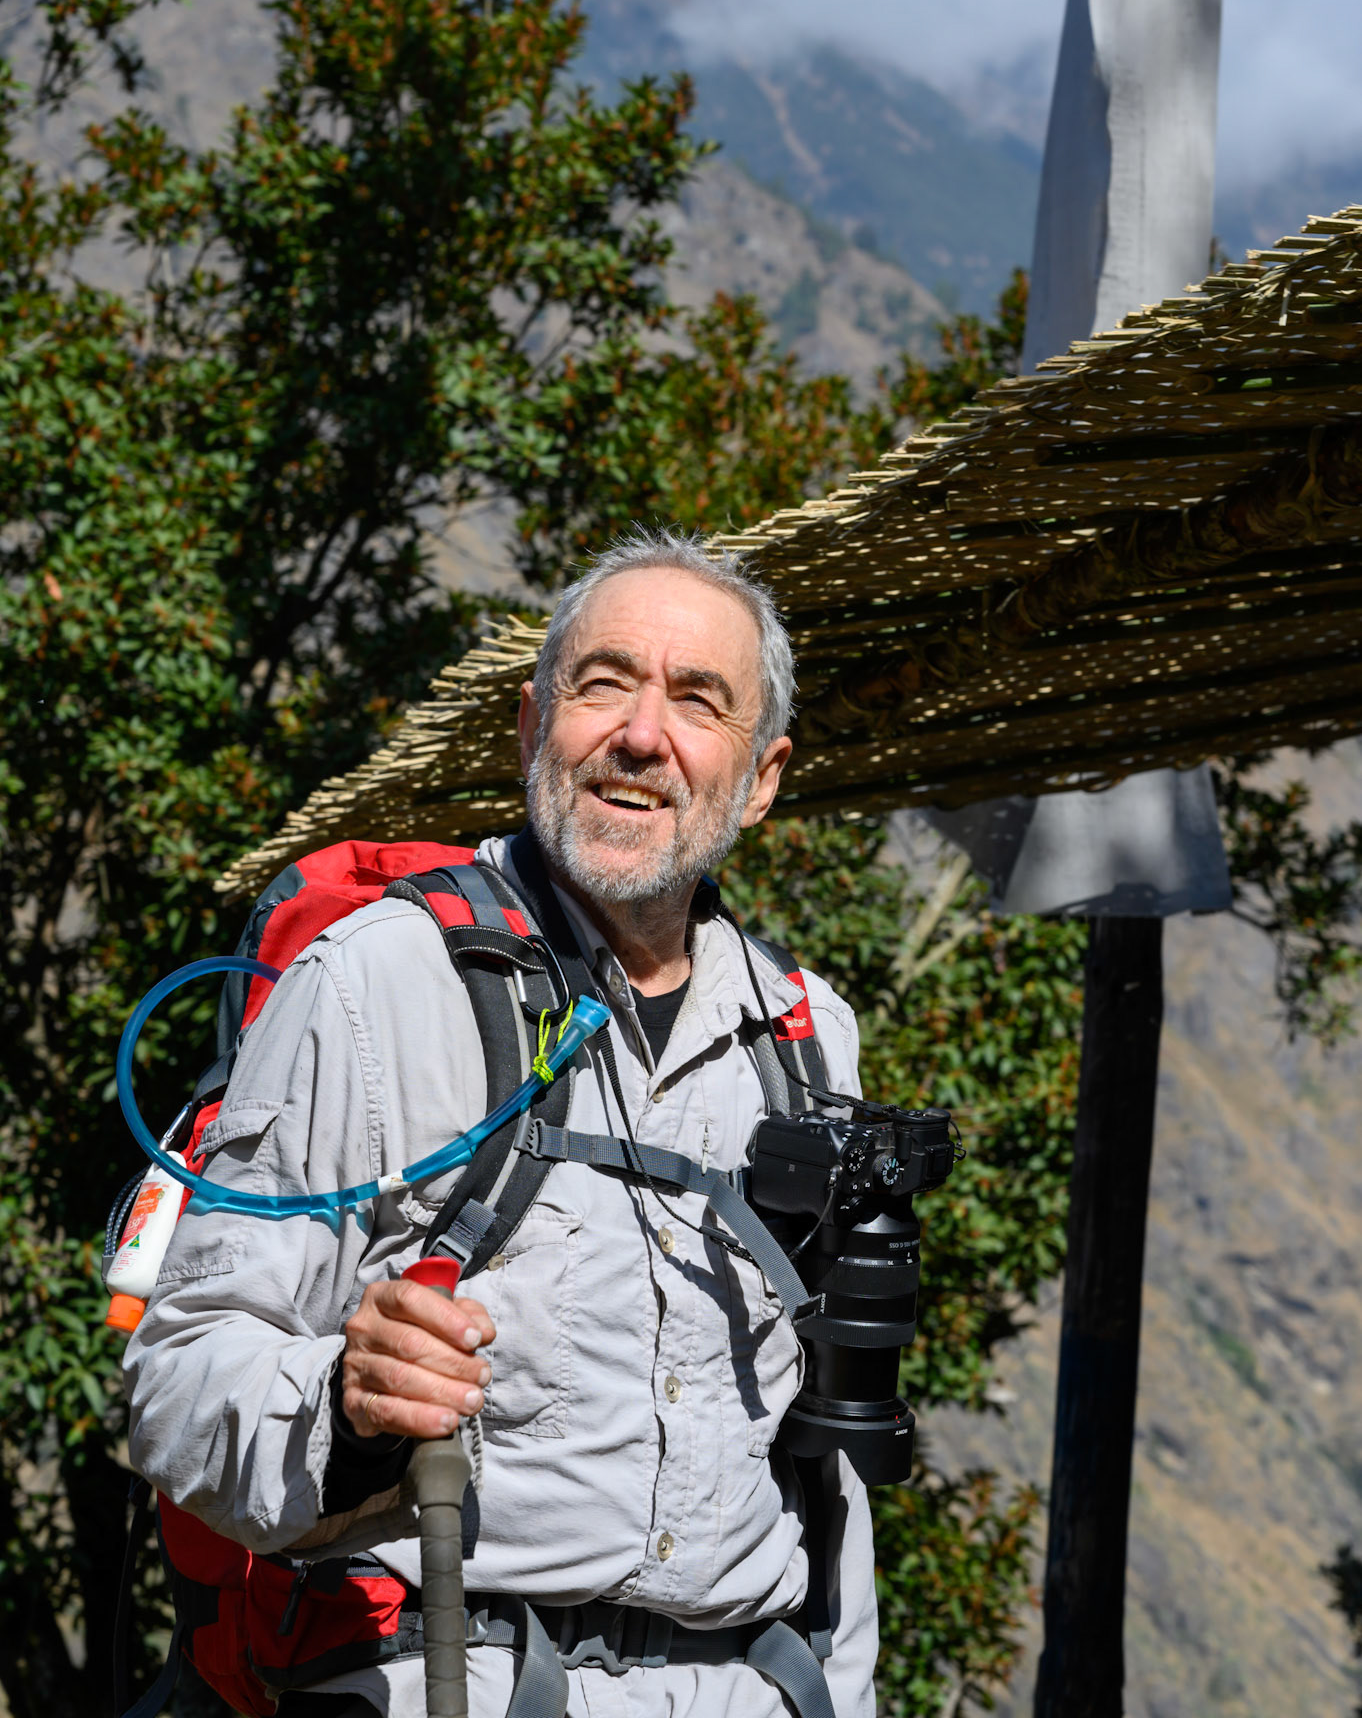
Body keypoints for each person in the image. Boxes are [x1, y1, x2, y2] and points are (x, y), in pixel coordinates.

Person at [127, 529, 879, 1717]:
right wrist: (345, 1400)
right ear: (532, 727)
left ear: (763, 773)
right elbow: (178, 1375)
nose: (642, 733)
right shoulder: (378, 979)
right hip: (449, 1676)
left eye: (698, 699)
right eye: (603, 683)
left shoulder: (805, 1035)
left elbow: (825, 1453)